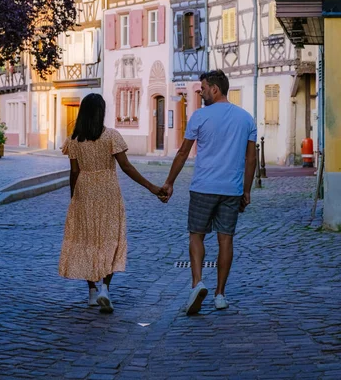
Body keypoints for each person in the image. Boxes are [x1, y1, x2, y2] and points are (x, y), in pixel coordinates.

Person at [160, 70, 257, 315]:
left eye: (203, 88)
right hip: (231, 189)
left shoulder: (199, 117)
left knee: (196, 236)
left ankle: (197, 284)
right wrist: (246, 190)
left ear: (214, 88)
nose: (200, 92)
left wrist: (169, 182)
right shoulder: (246, 118)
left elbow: (183, 153)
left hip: (203, 187)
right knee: (226, 239)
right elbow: (251, 158)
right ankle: (220, 294)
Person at [59, 93, 162, 313]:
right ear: (101, 112)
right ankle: (105, 287)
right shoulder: (111, 136)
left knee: (87, 241)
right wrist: (152, 187)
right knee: (109, 239)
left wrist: (73, 197)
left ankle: (91, 292)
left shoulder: (74, 140)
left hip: (84, 191)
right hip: (108, 191)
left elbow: (74, 172)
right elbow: (127, 167)